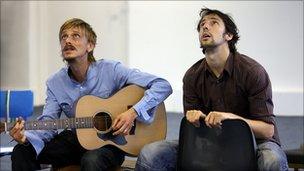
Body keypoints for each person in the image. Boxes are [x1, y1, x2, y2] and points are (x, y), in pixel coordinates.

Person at [135, 8, 288, 171]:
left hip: (255, 142)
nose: (205, 27)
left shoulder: (253, 72)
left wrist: (231, 118)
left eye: (213, 23)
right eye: (202, 25)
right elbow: (194, 134)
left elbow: (267, 130)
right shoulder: (192, 76)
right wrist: (196, 119)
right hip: (211, 142)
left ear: (228, 36)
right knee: (150, 154)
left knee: (272, 161)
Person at [9, 18, 172, 171]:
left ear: (90, 46)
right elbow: (49, 122)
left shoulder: (112, 69)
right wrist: (27, 137)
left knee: (91, 161)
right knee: (22, 151)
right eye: (63, 37)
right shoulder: (54, 82)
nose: (67, 40)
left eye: (75, 36)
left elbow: (162, 85)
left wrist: (133, 112)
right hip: (75, 140)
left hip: (111, 142)